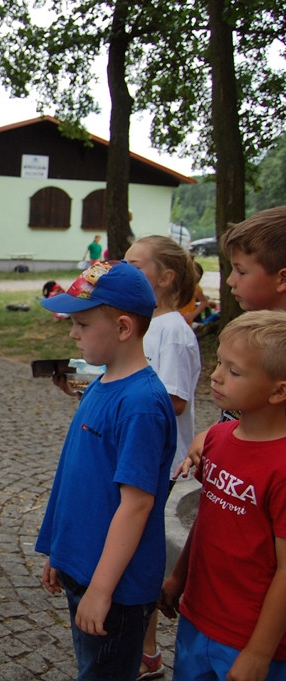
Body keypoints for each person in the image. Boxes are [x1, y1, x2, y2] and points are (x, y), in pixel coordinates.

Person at [37, 261, 177, 681]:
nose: (72, 334)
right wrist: (60, 550)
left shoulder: (141, 404)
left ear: (122, 328)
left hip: (115, 587)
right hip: (83, 565)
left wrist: (101, 589)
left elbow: (135, 506)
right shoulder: (102, 383)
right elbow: (77, 478)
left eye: (81, 324)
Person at [158, 310, 286, 681]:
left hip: (251, 641)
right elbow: (209, 519)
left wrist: (259, 654)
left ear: (279, 390)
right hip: (198, 618)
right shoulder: (216, 440)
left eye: (234, 371)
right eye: (218, 363)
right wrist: (178, 580)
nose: (215, 375)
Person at [124, 236, 202, 680]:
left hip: (158, 460)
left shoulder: (171, 330)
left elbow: (172, 399)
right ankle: (143, 646)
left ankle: (147, 650)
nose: (126, 269)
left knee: (141, 552)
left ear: (165, 277)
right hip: (141, 454)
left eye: (136, 264)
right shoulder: (153, 324)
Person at [178, 206, 286, 478]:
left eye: (241, 271)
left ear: (282, 278)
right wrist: (218, 435)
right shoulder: (251, 333)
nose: (229, 281)